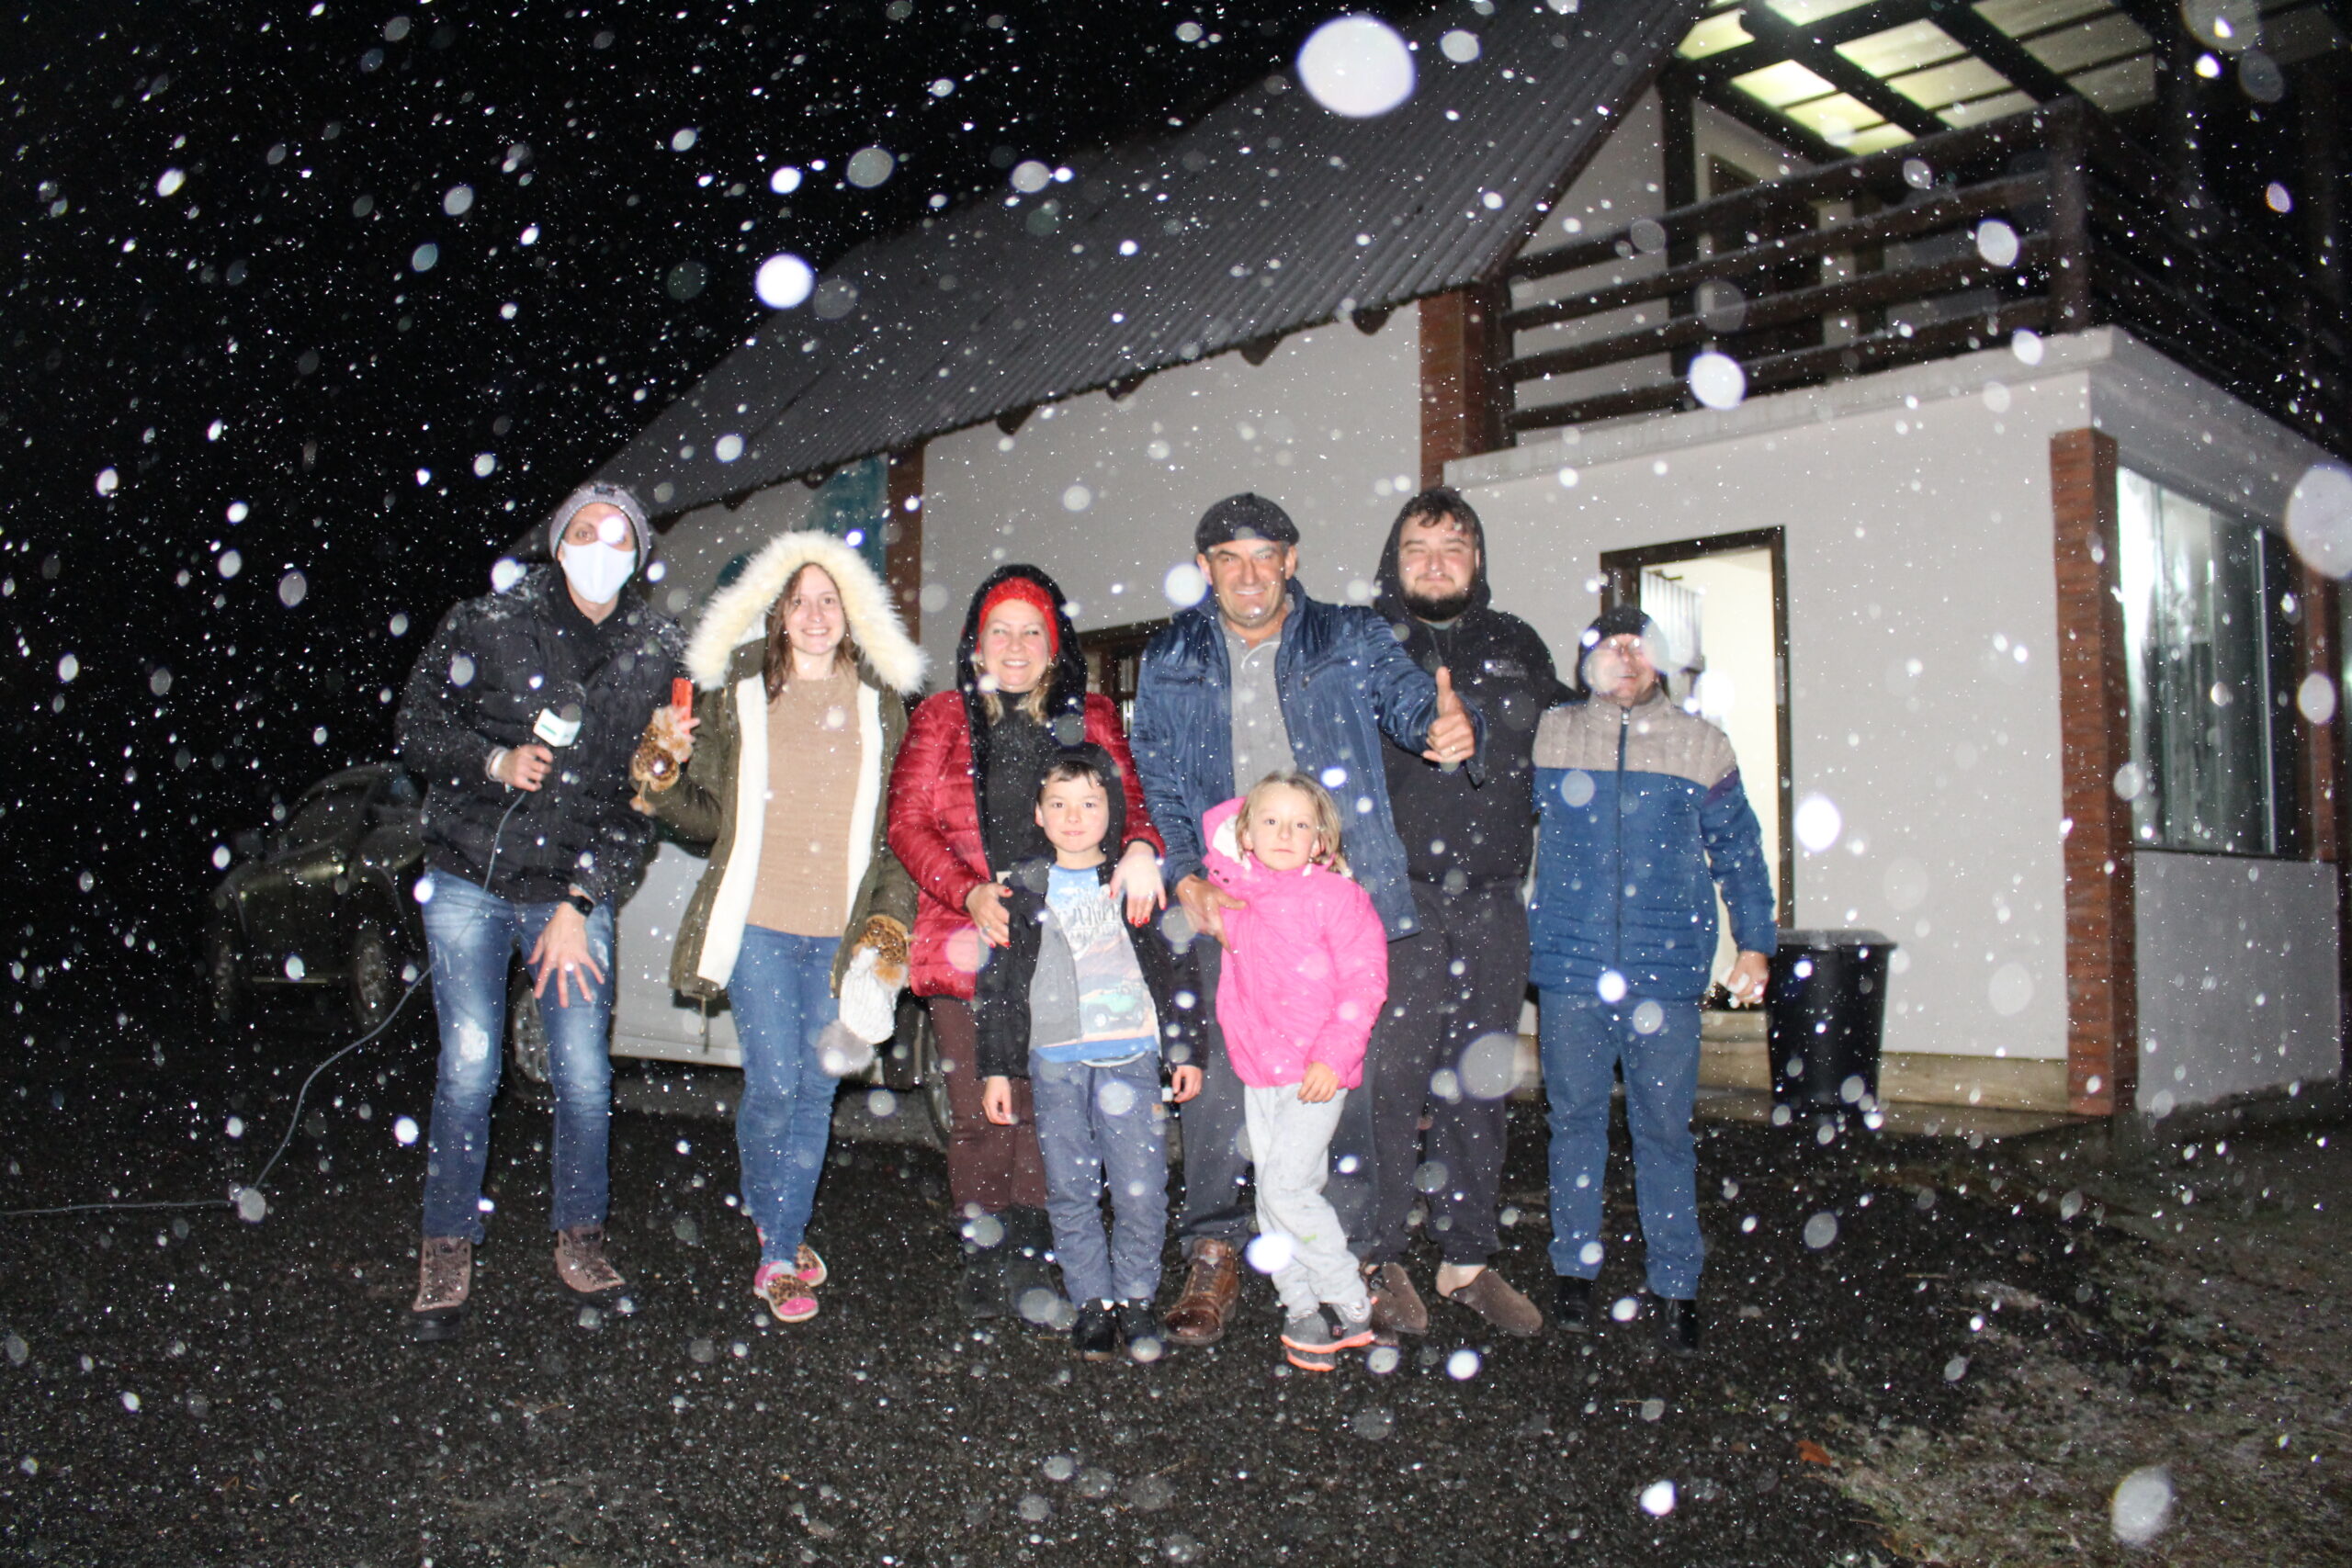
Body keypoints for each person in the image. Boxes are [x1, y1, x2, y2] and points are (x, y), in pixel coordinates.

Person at [1128, 492, 1479, 1348]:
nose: (1249, 575)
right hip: (1230, 895)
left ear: (1291, 558)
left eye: (1266, 555)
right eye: (1229, 557)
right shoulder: (1170, 654)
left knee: (1341, 1075)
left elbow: (1404, 702)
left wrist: (1438, 723)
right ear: (1204, 565)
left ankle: (1351, 1250)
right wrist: (1184, 877)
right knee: (1219, 1080)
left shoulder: (1348, 636)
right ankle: (1214, 1245)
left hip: (1332, 891)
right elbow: (1161, 775)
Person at [398, 481, 684, 1342]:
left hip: (569, 887)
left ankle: (582, 1235)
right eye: (586, 533)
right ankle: (447, 1241)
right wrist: (491, 761)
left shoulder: (658, 653)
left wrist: (583, 897)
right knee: (471, 1064)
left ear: (638, 554)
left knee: (585, 1071)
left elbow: (643, 803)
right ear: (558, 544)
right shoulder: (485, 623)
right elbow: (416, 725)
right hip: (467, 877)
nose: (603, 549)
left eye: (620, 538)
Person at [641, 530, 925, 1325]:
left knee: (815, 1089)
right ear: (777, 614)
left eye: (828, 599)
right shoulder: (739, 698)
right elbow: (703, 817)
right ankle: (777, 1221)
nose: (813, 613)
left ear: (851, 612)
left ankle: (779, 1244)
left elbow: (897, 834)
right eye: (798, 600)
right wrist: (660, 775)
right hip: (759, 924)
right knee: (773, 1083)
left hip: (839, 934)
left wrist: (887, 925)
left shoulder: (882, 706)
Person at [887, 565, 1166, 1321]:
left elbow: (1129, 800)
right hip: (970, 936)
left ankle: (1045, 1248)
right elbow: (906, 824)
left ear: (1055, 645)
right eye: (999, 630)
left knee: (1052, 1107)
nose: (1015, 645)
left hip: (1068, 941)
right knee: (981, 1106)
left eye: (1031, 630)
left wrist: (1141, 845)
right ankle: (984, 1249)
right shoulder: (943, 717)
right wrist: (968, 891)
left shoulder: (1088, 716)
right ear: (977, 644)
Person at [1529, 604, 1775, 1354]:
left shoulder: (1702, 746)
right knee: (1573, 1120)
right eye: (1609, 648)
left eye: (1640, 648)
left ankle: (1677, 1285)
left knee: (1663, 1129)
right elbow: (1495, 821)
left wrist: (1756, 943)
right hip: (1571, 967)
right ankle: (1575, 1271)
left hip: (1663, 971)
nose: (1625, 659)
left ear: (1659, 661)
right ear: (1585, 665)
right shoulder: (1550, 734)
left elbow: (1740, 848)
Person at [1366, 487, 1564, 1338]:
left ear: (1477, 560)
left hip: (1491, 895)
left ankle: (1466, 1256)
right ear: (1394, 559)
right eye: (1419, 547)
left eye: (1454, 546)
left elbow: (1553, 740)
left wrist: (1483, 725)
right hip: (1398, 893)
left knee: (1479, 1082)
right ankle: (1373, 1251)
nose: (1436, 562)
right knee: (1389, 1077)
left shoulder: (1516, 641)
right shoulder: (1365, 642)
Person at [975, 750, 1203, 1361]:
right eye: (1059, 804)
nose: (1074, 817)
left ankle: (1136, 1296)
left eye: (1089, 803)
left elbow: (1175, 962)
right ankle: (1091, 1303)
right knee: (1071, 1186)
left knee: (1140, 1187)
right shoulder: (1021, 888)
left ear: (1113, 811)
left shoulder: (1135, 879)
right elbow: (997, 984)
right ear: (1039, 816)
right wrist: (996, 1067)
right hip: (1056, 1062)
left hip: (1130, 1053)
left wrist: (1185, 1047)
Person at [1201, 773, 1387, 1372]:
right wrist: (1249, 825)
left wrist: (1334, 1055)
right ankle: (1300, 1304)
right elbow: (1214, 825)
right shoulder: (1237, 894)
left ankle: (1351, 1301)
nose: (1285, 833)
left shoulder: (1339, 898)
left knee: (1285, 1189)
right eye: (1271, 821)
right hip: (1260, 1071)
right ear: (1246, 834)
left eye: (1301, 823)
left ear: (1322, 840)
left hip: (1313, 1073)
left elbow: (1365, 983)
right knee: (1274, 1193)